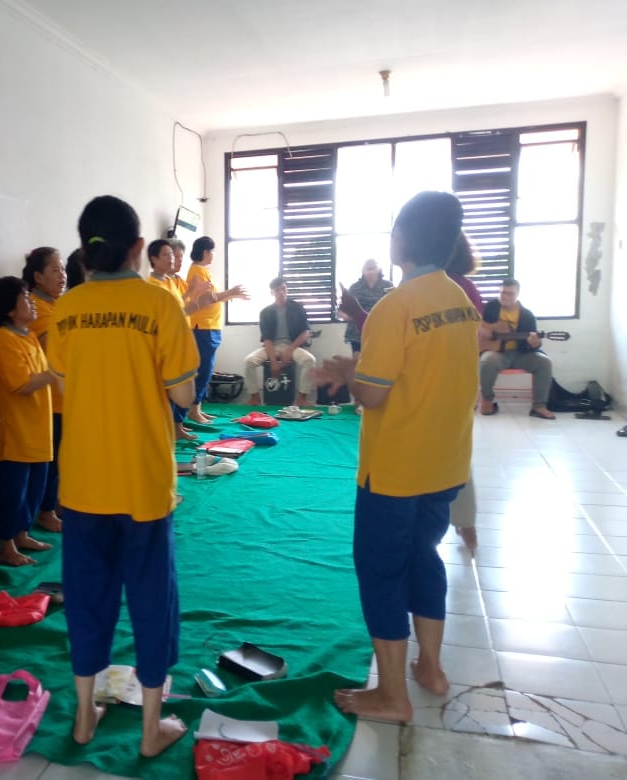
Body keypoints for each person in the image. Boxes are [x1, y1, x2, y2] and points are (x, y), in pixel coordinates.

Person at [316, 191, 480, 723]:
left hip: (395, 469)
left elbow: (374, 393)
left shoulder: (396, 306)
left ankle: (392, 695)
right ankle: (430, 668)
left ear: (402, 239)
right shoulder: (460, 300)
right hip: (445, 461)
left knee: (382, 571)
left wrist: (349, 374)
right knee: (425, 557)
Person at [47, 195, 199, 758]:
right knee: (152, 598)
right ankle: (151, 729)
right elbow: (182, 393)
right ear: (138, 247)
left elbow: (65, 383)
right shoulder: (159, 304)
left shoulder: (66, 309)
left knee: (87, 597)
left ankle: (84, 715)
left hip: (83, 480)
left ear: (85, 249)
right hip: (142, 481)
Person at [0, 276, 55, 566]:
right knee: (12, 492)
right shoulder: (1, 339)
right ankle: (6, 545)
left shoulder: (29, 337)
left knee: (34, 489)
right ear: (10, 309)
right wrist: (59, 371)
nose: (32, 302)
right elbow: (22, 384)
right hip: (15, 433)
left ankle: (22, 535)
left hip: (37, 429)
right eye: (25, 297)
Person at [147, 239, 213, 440]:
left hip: (178, 340)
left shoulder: (169, 281)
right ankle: (165, 432)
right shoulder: (152, 285)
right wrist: (197, 300)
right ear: (153, 259)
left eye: (173, 255)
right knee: (167, 392)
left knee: (179, 389)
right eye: (166, 255)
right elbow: (168, 316)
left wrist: (196, 298)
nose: (172, 259)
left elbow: (180, 308)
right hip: (164, 345)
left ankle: (176, 428)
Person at [445, 233, 486, 550]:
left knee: (453, 453)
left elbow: (474, 337)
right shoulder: (464, 287)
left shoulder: (453, 288)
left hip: (448, 380)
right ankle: (465, 522)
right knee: (455, 452)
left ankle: (466, 522)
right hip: (458, 379)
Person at [24, 247, 68, 533]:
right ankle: (47, 511)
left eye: (62, 269)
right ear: (38, 277)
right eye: (55, 270)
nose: (62, 275)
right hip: (50, 398)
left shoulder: (58, 305)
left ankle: (58, 504)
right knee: (51, 460)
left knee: (62, 457)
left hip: (65, 395)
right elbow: (52, 348)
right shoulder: (37, 307)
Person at [185, 236, 248, 423]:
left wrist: (232, 295)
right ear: (205, 252)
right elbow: (207, 299)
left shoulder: (204, 271)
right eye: (211, 251)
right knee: (203, 369)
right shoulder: (196, 271)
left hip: (210, 326)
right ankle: (193, 410)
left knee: (207, 369)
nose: (213, 255)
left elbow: (215, 298)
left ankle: (198, 408)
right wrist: (230, 292)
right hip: (202, 327)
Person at [478, 279, 556, 419]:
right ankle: (487, 401)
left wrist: (535, 343)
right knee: (488, 360)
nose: (505, 296)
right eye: (503, 292)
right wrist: (484, 331)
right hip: (497, 353)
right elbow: (476, 322)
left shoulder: (527, 315)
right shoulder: (490, 307)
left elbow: (533, 345)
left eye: (510, 293)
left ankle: (539, 406)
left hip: (521, 354)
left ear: (517, 294)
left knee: (544, 362)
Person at [245, 277, 316, 406]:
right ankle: (255, 398)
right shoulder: (265, 312)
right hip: (272, 346)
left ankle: (302, 398)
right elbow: (267, 338)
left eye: (283, 288)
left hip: (292, 346)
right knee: (249, 361)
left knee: (309, 360)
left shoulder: (297, 308)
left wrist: (290, 349)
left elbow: (305, 331)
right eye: (277, 290)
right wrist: (273, 361)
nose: (281, 292)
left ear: (287, 289)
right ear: (272, 292)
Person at [343, 259, 393, 354]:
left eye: (373, 264)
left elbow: (394, 308)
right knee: (359, 361)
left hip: (381, 332)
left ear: (379, 269)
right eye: (367, 265)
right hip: (357, 334)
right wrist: (346, 314)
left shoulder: (388, 285)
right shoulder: (354, 287)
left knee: (380, 360)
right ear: (362, 270)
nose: (370, 265)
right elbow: (346, 309)